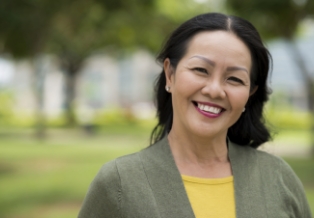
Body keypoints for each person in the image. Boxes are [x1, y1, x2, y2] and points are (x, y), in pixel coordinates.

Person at [78, 12, 313, 218]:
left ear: (250, 94)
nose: (214, 90)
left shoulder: (278, 178)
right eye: (201, 70)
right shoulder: (118, 183)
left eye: (234, 79)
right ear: (170, 75)